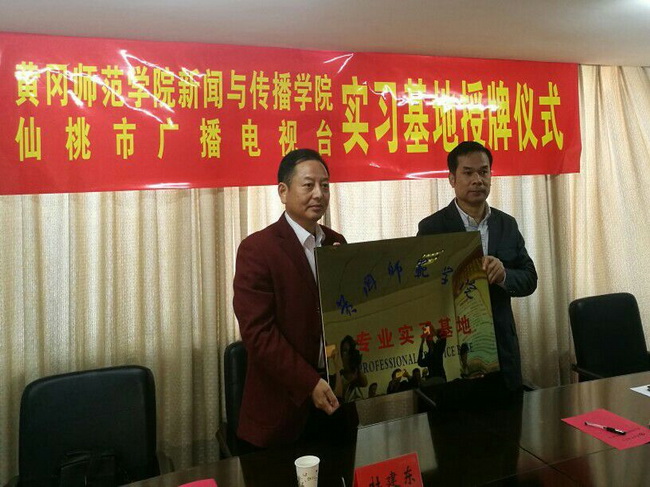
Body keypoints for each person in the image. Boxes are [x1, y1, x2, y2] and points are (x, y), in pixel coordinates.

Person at [233, 148, 347, 448]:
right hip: (281, 410)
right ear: (283, 191)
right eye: (308, 185)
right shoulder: (258, 249)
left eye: (325, 185)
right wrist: (309, 382)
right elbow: (258, 334)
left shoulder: (336, 242)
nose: (319, 194)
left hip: (336, 401)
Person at [417, 141, 537, 392]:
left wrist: (504, 275)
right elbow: (422, 288)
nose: (477, 180)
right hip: (453, 352)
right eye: (468, 173)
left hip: (501, 351)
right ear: (452, 179)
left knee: (509, 416)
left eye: (483, 172)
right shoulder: (432, 228)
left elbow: (529, 279)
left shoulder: (507, 225)